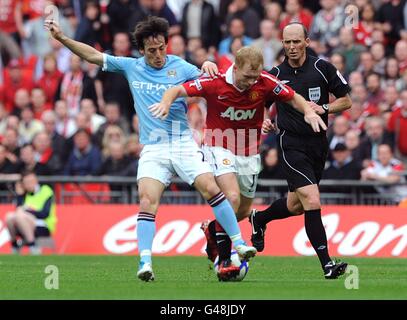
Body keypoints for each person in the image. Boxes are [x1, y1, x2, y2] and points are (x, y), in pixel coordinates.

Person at [45, 16, 257, 282]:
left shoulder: (180, 66)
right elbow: (93, 56)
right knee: (147, 201)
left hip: (181, 142)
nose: (159, 55)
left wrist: (207, 63)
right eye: (152, 51)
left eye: (162, 48)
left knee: (211, 188)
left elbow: (212, 81)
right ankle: (145, 263)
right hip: (153, 148)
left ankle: (238, 244)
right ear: (142, 50)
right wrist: (62, 38)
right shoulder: (131, 67)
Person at [150, 46, 327, 278]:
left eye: (254, 76)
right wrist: (165, 102)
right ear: (235, 66)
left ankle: (213, 230)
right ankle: (225, 261)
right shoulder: (215, 81)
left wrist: (309, 112)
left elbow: (293, 97)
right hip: (218, 144)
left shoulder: (264, 81)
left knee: (242, 211)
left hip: (249, 151)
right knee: (231, 198)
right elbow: (177, 89)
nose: (250, 82)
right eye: (246, 76)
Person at [250, 23, 352, 279]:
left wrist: (324, 109)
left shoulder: (322, 68)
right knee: (312, 199)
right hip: (290, 143)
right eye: (287, 43)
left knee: (296, 205)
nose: (292, 47)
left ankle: (259, 220)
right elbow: (261, 101)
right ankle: (327, 264)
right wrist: (264, 118)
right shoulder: (274, 73)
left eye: (296, 42)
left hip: (318, 144)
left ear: (306, 41)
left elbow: (346, 100)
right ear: (282, 44)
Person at [4, 170, 57, 254]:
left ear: (36, 180)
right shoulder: (24, 194)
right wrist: (20, 195)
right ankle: (14, 246)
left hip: (42, 224)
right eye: (26, 182)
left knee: (20, 216)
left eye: (31, 181)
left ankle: (32, 246)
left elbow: (45, 214)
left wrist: (29, 211)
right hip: (23, 223)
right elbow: (18, 209)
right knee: (9, 216)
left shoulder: (46, 191)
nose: (29, 184)